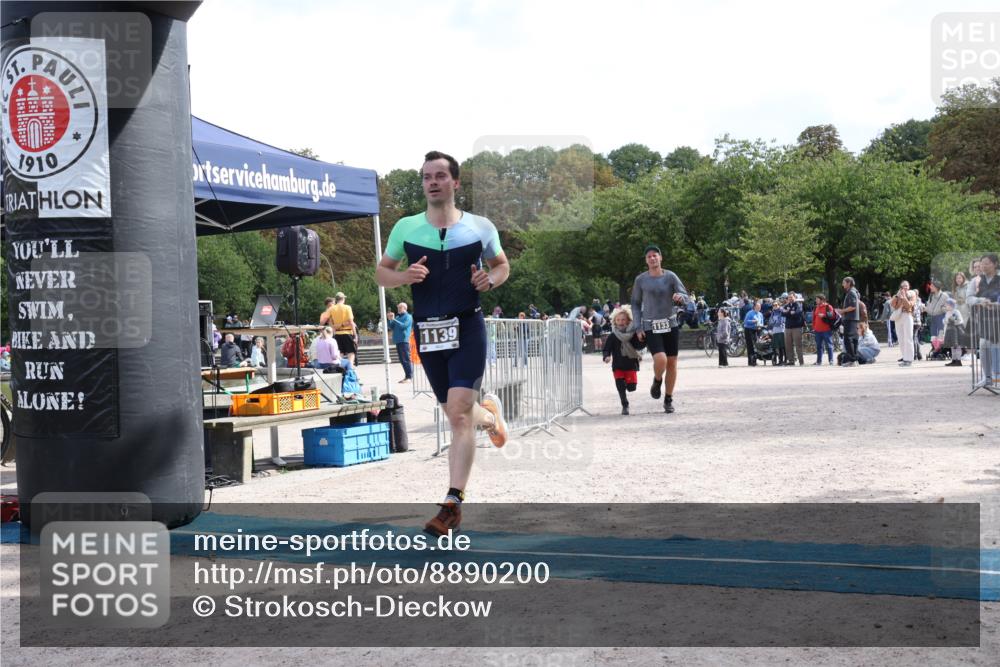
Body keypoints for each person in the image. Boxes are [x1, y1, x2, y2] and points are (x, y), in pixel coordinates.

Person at [374, 150, 510, 536]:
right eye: (425, 176)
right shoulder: (405, 228)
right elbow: (382, 273)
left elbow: (501, 265)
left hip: (468, 326)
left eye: (439, 175)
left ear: (455, 183)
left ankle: (452, 502)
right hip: (429, 331)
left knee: (459, 413)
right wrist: (404, 277)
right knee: (458, 413)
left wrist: (491, 280)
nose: (431, 182)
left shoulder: (480, 227)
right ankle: (492, 417)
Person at [630, 244, 690, 413]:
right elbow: (635, 303)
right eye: (649, 256)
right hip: (650, 325)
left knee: (672, 362)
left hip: (670, 324)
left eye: (655, 255)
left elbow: (686, 297)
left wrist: (680, 297)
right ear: (646, 261)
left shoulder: (671, 276)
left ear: (660, 258)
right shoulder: (641, 280)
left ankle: (668, 398)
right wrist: (638, 326)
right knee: (661, 359)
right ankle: (657, 381)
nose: (652, 258)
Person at [602, 306, 646, 415]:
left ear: (628, 321)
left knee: (632, 388)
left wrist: (644, 339)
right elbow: (606, 348)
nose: (620, 322)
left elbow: (639, 346)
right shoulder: (612, 336)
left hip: (631, 364)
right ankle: (625, 405)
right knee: (620, 385)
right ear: (614, 321)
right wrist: (606, 356)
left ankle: (628, 384)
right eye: (618, 320)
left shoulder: (633, 335)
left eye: (623, 320)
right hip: (617, 365)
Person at [967, 253, 1000, 386]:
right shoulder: (976, 281)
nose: (984, 266)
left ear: (995, 264)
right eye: (982, 263)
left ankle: (997, 376)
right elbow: (969, 298)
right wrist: (980, 300)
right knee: (983, 345)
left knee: (996, 346)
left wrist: (997, 305)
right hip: (984, 319)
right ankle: (987, 378)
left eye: (987, 263)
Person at [320, 293, 358, 365]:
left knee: (340, 353)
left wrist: (332, 325)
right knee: (351, 353)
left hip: (337, 334)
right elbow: (351, 322)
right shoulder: (347, 307)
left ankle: (340, 369)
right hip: (347, 333)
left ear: (336, 300)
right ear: (343, 299)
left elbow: (322, 321)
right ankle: (350, 369)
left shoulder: (331, 308)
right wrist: (355, 335)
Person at [890, 281, 916, 367]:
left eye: (906, 286)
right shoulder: (897, 295)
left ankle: (909, 359)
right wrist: (897, 296)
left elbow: (909, 305)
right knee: (901, 339)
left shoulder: (912, 294)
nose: (904, 288)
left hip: (907, 315)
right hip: (898, 317)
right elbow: (893, 305)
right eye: (902, 286)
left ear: (909, 287)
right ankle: (905, 358)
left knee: (908, 338)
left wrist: (904, 297)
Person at [387, 302, 414, 383]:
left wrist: (394, 319)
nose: (398, 309)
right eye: (398, 307)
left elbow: (404, 326)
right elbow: (391, 326)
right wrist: (390, 319)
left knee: (406, 359)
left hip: (404, 340)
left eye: (400, 308)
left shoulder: (408, 316)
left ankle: (409, 376)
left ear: (405, 308)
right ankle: (407, 376)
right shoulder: (398, 317)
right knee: (402, 360)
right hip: (398, 340)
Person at [837, 277, 860, 366]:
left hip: (850, 319)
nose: (842, 284)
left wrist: (842, 311)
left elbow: (853, 306)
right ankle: (854, 359)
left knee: (848, 339)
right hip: (853, 319)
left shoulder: (851, 293)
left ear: (849, 283)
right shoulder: (854, 292)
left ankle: (852, 360)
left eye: (844, 282)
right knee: (853, 339)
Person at [781, 291, 805, 365]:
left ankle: (801, 361)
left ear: (795, 297)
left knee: (798, 345)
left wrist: (788, 312)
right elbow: (782, 313)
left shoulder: (798, 305)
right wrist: (790, 312)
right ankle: (791, 361)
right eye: (789, 297)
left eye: (791, 297)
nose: (790, 298)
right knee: (788, 345)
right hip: (788, 327)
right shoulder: (787, 305)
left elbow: (797, 314)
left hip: (797, 328)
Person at [811, 295, 836, 365]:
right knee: (819, 346)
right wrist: (814, 327)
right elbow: (814, 318)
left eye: (817, 299)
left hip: (826, 330)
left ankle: (831, 360)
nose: (816, 301)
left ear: (822, 300)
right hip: (817, 330)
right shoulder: (816, 307)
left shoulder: (828, 306)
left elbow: (832, 315)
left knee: (829, 345)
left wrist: (824, 315)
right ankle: (819, 361)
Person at [941, 298, 965, 366]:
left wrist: (952, 321)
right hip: (949, 332)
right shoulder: (948, 313)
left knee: (956, 346)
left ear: (951, 305)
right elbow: (945, 321)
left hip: (956, 332)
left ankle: (958, 360)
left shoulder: (956, 312)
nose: (946, 306)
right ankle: (954, 360)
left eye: (947, 305)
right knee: (952, 347)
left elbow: (960, 320)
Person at [743, 300, 764, 366]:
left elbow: (762, 322)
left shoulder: (760, 314)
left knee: (756, 345)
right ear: (754, 307)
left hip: (757, 330)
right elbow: (746, 322)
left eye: (760, 306)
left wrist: (760, 326)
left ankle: (754, 360)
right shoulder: (750, 313)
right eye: (757, 306)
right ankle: (751, 361)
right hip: (749, 330)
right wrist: (753, 321)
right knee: (750, 346)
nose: (759, 308)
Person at [770, 294, 787, 366]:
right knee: (777, 347)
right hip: (775, 331)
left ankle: (785, 360)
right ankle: (779, 361)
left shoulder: (781, 311)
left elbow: (782, 321)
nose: (775, 306)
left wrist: (775, 323)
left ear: (779, 305)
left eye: (776, 305)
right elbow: (770, 322)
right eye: (773, 305)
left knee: (783, 347)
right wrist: (773, 325)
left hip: (781, 331)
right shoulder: (773, 313)